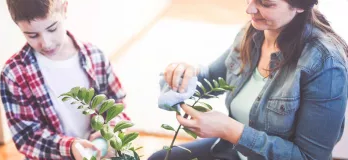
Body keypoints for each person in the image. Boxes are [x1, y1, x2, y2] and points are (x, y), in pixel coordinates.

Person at [149, 0, 348, 159]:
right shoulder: (254, 32)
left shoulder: (326, 64)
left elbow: (310, 157)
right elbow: (213, 78)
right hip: (233, 151)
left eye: (266, 3)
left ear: (300, 6)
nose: (250, 9)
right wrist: (185, 75)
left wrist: (230, 129)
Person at [0, 0, 129, 159]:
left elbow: (117, 105)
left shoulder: (95, 56)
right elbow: (27, 137)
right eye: (32, 35)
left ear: (64, 9)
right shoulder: (14, 73)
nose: (46, 43)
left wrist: (110, 129)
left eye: (52, 28)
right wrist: (70, 147)